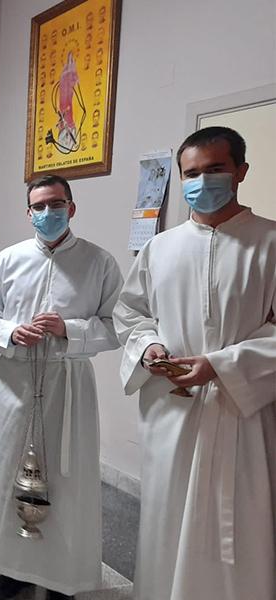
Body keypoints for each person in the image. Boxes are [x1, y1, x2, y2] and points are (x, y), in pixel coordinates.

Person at [113, 126, 276, 600]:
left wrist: (222, 365)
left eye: (215, 169)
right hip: (173, 411)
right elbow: (131, 313)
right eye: (191, 173)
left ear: (240, 171)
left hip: (243, 413)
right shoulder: (160, 247)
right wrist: (149, 347)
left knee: (239, 527)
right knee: (166, 521)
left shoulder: (269, 242)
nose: (202, 181)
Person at [0, 174, 123, 600]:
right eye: (38, 206)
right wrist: (11, 331)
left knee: (66, 477)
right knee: (7, 471)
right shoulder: (9, 260)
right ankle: (13, 568)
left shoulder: (98, 262)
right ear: (28, 213)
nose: (47, 212)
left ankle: (62, 576)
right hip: (16, 381)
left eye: (56, 204)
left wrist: (69, 329)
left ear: (71, 208)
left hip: (67, 383)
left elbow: (118, 326)